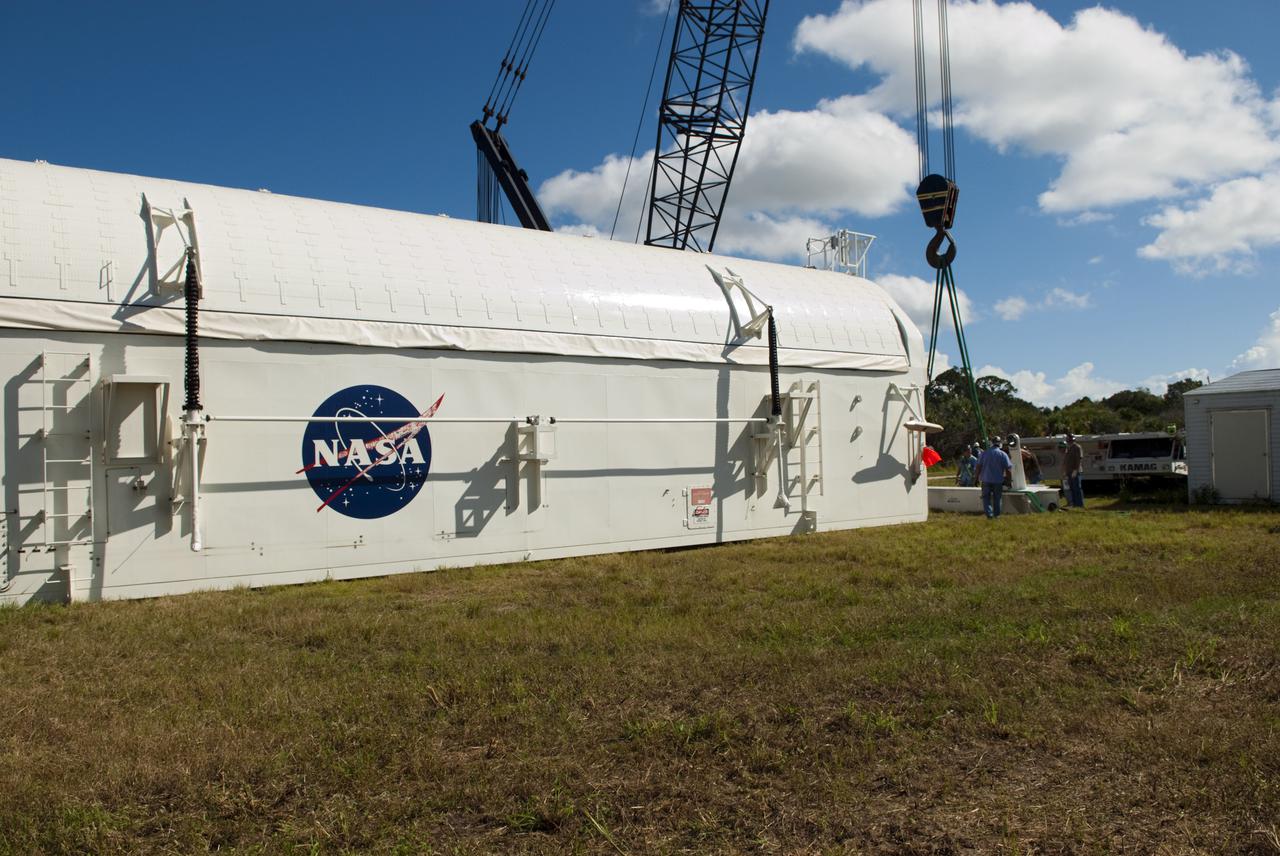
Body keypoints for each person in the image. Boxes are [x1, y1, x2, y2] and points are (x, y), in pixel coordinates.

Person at [976, 436, 1012, 519]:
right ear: (1000, 444)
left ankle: (989, 515)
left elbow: (978, 467)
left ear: (991, 443)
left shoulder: (984, 453)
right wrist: (1009, 480)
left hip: (985, 479)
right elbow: (1008, 469)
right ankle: (997, 515)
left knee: (986, 498)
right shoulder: (1003, 454)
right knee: (997, 498)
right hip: (998, 481)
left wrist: (976, 478)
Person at [1063, 432, 1085, 508]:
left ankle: (1079, 504)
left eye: (1070, 441)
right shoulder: (1068, 448)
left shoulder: (1077, 447)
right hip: (1069, 471)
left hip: (1075, 471)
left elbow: (1078, 459)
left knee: (1077, 488)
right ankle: (1075, 504)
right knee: (1071, 488)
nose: (1069, 442)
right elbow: (1066, 460)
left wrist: (1076, 470)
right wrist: (1065, 471)